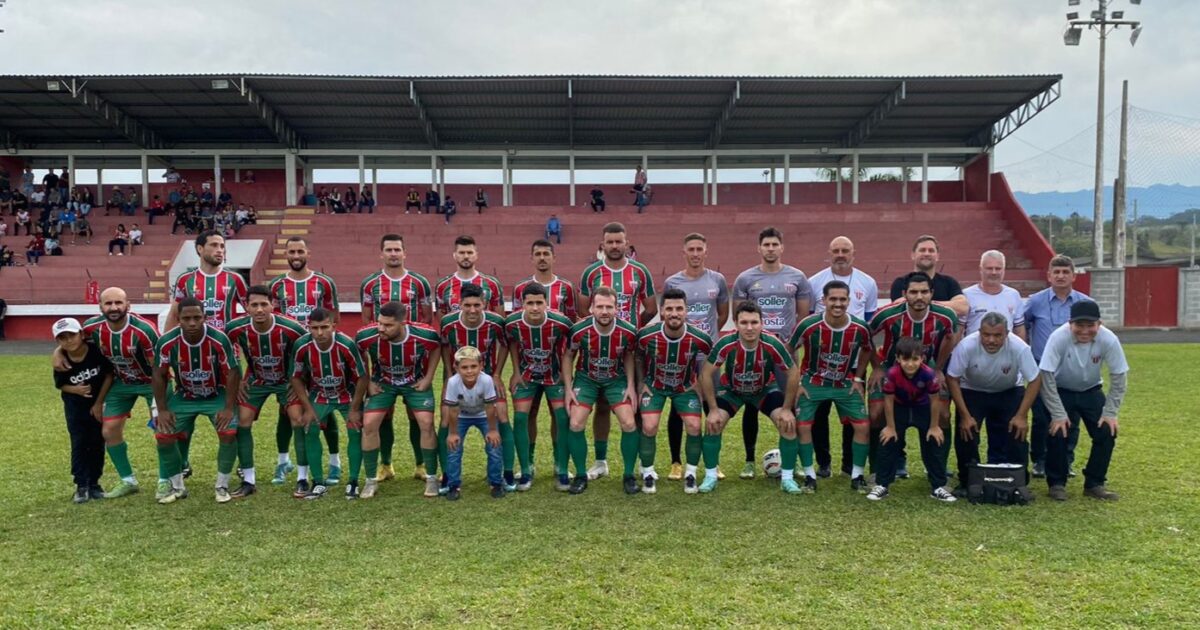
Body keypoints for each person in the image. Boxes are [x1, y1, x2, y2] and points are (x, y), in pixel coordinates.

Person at [578, 222, 657, 481]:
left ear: (627, 242)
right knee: (601, 405)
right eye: (609, 242)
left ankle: (636, 467)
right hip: (600, 349)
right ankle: (600, 461)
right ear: (602, 244)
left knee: (631, 405)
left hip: (630, 350)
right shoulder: (591, 273)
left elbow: (651, 307)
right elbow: (582, 309)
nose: (614, 246)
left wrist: (632, 330)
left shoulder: (640, 271)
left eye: (618, 241)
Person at [731, 227, 812, 480]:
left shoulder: (797, 277)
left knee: (790, 406)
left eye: (774, 244)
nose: (770, 248)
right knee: (750, 404)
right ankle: (749, 461)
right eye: (766, 244)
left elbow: (803, 316)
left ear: (781, 247)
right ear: (759, 248)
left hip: (785, 352)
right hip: (754, 353)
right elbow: (739, 317)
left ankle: (794, 459)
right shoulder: (745, 279)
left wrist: (793, 345)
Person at [63, 288, 158, 499]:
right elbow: (72, 341)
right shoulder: (92, 327)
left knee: (163, 430)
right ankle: (128, 480)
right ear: (100, 307)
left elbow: (159, 366)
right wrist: (58, 351)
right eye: (108, 303)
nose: (113, 308)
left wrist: (160, 400)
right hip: (122, 383)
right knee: (109, 430)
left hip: (152, 382)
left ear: (128, 305)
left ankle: (167, 479)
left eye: (118, 303)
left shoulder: (144, 329)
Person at [868, 271, 958, 486]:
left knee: (944, 415)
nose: (919, 297)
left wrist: (939, 368)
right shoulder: (888, 315)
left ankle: (938, 466)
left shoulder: (946, 316)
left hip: (927, 373)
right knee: (876, 413)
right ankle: (878, 469)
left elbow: (950, 336)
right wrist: (878, 367)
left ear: (931, 293)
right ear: (904, 294)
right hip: (891, 371)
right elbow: (866, 335)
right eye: (914, 292)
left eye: (924, 292)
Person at [698, 302, 799, 493]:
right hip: (732, 390)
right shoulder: (726, 343)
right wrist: (712, 410)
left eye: (754, 322)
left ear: (762, 323)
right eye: (744, 322)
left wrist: (786, 409)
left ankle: (787, 479)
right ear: (736, 323)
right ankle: (710, 476)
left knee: (788, 424)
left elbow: (793, 372)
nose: (750, 328)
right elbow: (706, 373)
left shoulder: (772, 343)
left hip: (764, 389)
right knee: (713, 424)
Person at [151, 297, 242, 504]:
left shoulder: (219, 339)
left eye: (197, 318)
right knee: (163, 436)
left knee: (228, 433)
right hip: (185, 396)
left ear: (205, 318)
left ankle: (222, 485)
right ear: (178, 319)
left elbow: (233, 373)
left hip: (215, 394)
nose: (192, 323)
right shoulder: (167, 341)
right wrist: (163, 409)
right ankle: (177, 486)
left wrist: (229, 407)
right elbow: (158, 374)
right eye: (186, 318)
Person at [788, 281, 875, 494]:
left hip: (844, 383)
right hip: (812, 383)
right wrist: (798, 380)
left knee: (863, 426)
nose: (838, 304)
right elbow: (789, 349)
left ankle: (857, 475)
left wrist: (858, 378)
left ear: (849, 301)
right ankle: (809, 475)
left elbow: (867, 350)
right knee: (804, 426)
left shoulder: (860, 328)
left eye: (842, 299)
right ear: (824, 300)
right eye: (833, 299)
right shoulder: (808, 325)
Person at [360, 234, 434, 482]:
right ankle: (386, 465)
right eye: (389, 250)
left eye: (397, 249)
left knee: (417, 414)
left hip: (414, 357)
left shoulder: (419, 282)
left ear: (405, 253)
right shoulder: (370, 284)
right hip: (383, 360)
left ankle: (421, 464)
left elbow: (426, 317)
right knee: (385, 413)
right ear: (381, 253)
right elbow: (367, 319)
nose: (393, 254)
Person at [1038, 300, 1127, 502]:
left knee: (1107, 431)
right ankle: (1057, 483)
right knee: (1057, 432)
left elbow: (1119, 376)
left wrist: (1110, 413)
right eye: (1080, 325)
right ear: (1070, 324)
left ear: (1099, 324)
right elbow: (1046, 375)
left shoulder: (1109, 339)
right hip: (1061, 390)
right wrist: (1058, 414)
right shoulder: (1058, 337)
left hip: (1091, 390)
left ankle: (1094, 483)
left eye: (1090, 326)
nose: (1085, 331)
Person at [806, 236, 879, 477]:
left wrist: (861, 375)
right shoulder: (815, 281)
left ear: (853, 253)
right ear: (828, 252)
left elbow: (868, 327)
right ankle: (823, 462)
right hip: (820, 366)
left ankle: (850, 465)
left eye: (845, 250)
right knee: (819, 414)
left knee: (852, 416)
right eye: (835, 250)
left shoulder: (867, 282)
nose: (840, 254)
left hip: (853, 364)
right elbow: (809, 323)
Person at [225, 286, 308, 498]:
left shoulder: (290, 327)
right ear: (246, 307)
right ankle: (248, 480)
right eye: (254, 305)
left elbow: (308, 349)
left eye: (264, 304)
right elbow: (222, 348)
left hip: (285, 381)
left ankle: (302, 478)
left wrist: (299, 379)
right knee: (242, 422)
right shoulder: (236, 327)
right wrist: (237, 377)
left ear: (273, 305)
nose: (260, 309)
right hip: (256, 380)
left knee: (298, 420)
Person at [946, 312, 1041, 496]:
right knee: (966, 433)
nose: (991, 340)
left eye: (997, 335)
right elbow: (952, 378)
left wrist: (1021, 416)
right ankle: (968, 481)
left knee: (1016, 432)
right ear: (979, 332)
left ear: (1006, 334)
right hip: (972, 390)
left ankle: (1017, 481)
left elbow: (1035, 379)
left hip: (1008, 391)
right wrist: (965, 416)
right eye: (986, 334)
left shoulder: (1019, 347)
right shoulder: (966, 345)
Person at [661, 233, 729, 481]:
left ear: (706, 252)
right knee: (677, 408)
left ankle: (713, 462)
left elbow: (721, 315)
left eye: (700, 248)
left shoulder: (717, 280)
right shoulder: (673, 282)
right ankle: (676, 462)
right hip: (681, 355)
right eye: (691, 249)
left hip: (708, 356)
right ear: (684, 252)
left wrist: (706, 337)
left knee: (713, 407)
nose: (696, 253)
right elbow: (667, 316)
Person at [357, 302, 442, 499]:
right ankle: (370, 481)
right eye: (379, 323)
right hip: (382, 384)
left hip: (414, 383)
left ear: (402, 322)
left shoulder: (424, 334)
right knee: (369, 424)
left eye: (388, 325)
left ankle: (430, 477)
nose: (381, 329)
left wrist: (428, 378)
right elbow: (358, 353)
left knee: (426, 423)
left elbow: (437, 348)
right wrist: (368, 382)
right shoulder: (366, 335)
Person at [562, 287, 640, 495]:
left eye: (609, 307)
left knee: (629, 422)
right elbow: (568, 355)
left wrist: (631, 385)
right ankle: (580, 475)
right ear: (591, 308)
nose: (604, 311)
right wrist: (569, 388)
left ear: (617, 309)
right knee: (576, 422)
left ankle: (629, 475)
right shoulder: (579, 330)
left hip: (616, 380)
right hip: (586, 380)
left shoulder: (628, 331)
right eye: (600, 307)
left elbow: (629, 356)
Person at [439, 284, 516, 490]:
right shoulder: (448, 323)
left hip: (488, 380)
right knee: (446, 421)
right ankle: (447, 475)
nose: (472, 310)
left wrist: (498, 374)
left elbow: (505, 344)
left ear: (484, 304)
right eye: (467, 305)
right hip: (458, 380)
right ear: (460, 305)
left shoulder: (496, 322)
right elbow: (444, 346)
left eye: (477, 305)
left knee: (503, 418)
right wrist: (448, 374)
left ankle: (507, 473)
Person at [636, 288, 713, 494]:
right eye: (669, 309)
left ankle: (690, 474)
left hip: (684, 387)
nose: (674, 313)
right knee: (650, 426)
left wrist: (700, 381)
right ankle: (648, 473)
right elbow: (637, 356)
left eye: (679, 308)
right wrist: (641, 381)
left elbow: (712, 359)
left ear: (686, 311)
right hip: (655, 387)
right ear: (662, 311)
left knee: (694, 426)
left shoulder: (699, 338)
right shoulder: (646, 335)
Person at [511, 240, 578, 475]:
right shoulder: (520, 288)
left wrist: (566, 368)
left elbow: (572, 330)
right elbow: (515, 333)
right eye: (537, 254)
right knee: (527, 414)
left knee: (558, 415)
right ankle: (526, 463)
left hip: (555, 371)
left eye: (546, 254)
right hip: (527, 370)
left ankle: (560, 464)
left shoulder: (566, 288)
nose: (542, 258)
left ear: (553, 257)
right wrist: (516, 371)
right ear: (531, 258)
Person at [1022, 254, 1090, 478]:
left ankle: (1066, 460)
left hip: (1072, 370)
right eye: (1056, 272)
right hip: (1042, 369)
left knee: (1071, 418)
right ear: (1049, 275)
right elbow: (1022, 325)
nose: (1061, 276)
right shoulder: (1035, 301)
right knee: (1042, 417)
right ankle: (1040, 460)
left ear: (1073, 276)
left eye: (1065, 272)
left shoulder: (1085, 303)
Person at [290, 307, 368, 499]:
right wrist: (308, 408)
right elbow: (296, 377)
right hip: (320, 395)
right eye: (314, 328)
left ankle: (353, 481)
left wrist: (356, 408)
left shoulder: (346, 344)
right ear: (308, 327)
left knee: (355, 430)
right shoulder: (301, 345)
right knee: (309, 428)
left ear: (333, 326)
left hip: (346, 394)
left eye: (324, 327)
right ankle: (318, 482)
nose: (319, 333)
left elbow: (362, 376)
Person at [868, 337, 956, 502]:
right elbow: (888, 400)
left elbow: (934, 400)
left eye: (915, 359)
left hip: (922, 409)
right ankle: (882, 484)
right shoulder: (893, 374)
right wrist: (890, 427)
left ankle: (938, 486)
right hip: (899, 408)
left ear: (922, 359)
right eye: (906, 359)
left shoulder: (928, 374)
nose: (910, 364)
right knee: (888, 440)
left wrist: (934, 426)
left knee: (933, 441)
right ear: (898, 359)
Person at [506, 283, 575, 491]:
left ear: (546, 303)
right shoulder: (512, 323)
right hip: (527, 375)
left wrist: (566, 376)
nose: (535, 308)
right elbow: (511, 343)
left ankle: (561, 467)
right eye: (530, 303)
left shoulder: (561, 322)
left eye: (539, 303)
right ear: (522, 304)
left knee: (563, 417)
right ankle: (527, 468)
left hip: (554, 376)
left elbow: (570, 349)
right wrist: (516, 372)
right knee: (520, 417)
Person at [52, 317, 113, 504]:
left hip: (96, 405)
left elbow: (109, 375)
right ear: (58, 342)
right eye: (62, 338)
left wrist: (98, 403)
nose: (68, 340)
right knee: (79, 443)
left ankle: (94, 483)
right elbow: (60, 384)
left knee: (97, 442)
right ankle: (81, 485)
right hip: (75, 407)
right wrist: (75, 389)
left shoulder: (95, 351)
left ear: (81, 334)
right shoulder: (61, 361)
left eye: (71, 335)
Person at [442, 346, 505, 500]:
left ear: (481, 366)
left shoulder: (486, 380)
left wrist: (492, 430)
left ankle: (495, 482)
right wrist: (453, 433)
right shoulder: (452, 382)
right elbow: (453, 410)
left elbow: (490, 407)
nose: (469, 371)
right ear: (456, 368)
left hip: (483, 414)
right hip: (461, 416)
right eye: (464, 367)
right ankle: (453, 485)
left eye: (473, 366)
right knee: (454, 447)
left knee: (494, 446)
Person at [166, 230, 248, 333]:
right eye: (214, 245)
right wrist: (165, 345)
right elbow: (174, 315)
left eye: (222, 246)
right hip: (195, 343)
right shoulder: (185, 280)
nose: (219, 250)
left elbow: (251, 311)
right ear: (200, 249)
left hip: (227, 343)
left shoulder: (235, 279)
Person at [434, 235, 505, 319]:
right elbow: (442, 320)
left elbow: (500, 318)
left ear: (476, 255)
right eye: (461, 253)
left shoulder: (492, 284)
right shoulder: (442, 285)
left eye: (470, 252)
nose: (466, 256)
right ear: (454, 255)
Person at [964, 250, 1026, 337]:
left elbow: (1019, 330)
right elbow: (959, 330)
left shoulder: (1013, 295)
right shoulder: (967, 295)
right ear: (980, 269)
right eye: (989, 268)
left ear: (1004, 270)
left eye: (998, 268)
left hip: (1006, 350)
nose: (994, 272)